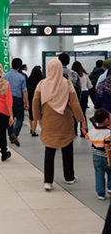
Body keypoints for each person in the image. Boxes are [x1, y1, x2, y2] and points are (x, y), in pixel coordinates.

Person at [32, 59, 87, 191]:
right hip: (65, 121)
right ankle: (69, 177)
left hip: (48, 121)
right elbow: (74, 103)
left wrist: (38, 118)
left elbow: (35, 101)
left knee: (49, 150)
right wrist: (81, 120)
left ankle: (48, 181)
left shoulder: (42, 84)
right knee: (67, 149)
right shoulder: (66, 83)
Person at [83, 108, 111, 200]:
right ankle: (110, 187)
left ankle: (100, 193)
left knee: (99, 174)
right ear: (107, 120)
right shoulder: (108, 132)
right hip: (107, 157)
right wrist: (109, 159)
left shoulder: (92, 132)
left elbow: (86, 135)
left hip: (96, 157)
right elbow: (107, 146)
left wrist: (83, 129)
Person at [3, 58, 28, 146]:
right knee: (20, 118)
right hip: (17, 99)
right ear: (20, 66)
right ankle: (15, 133)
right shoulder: (21, 77)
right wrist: (26, 102)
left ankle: (10, 135)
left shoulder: (5, 76)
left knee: (10, 117)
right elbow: (24, 91)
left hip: (7, 99)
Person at [72, 61, 92, 137]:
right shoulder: (85, 75)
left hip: (76, 94)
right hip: (85, 93)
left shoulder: (73, 75)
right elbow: (90, 86)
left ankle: (74, 131)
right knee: (83, 113)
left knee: (75, 112)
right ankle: (84, 131)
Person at [27, 66, 43, 137]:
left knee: (31, 115)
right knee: (36, 115)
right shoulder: (41, 81)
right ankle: (33, 131)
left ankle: (31, 128)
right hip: (37, 98)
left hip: (30, 98)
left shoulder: (29, 80)